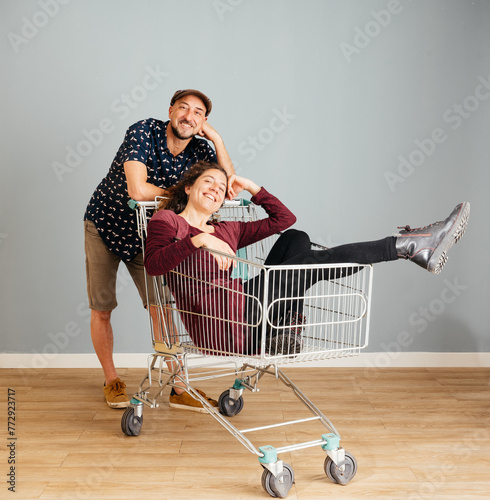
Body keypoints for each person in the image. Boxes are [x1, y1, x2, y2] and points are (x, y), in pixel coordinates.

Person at [144, 161, 470, 357]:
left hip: (250, 309)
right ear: (188, 188)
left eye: (221, 186)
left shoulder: (227, 228)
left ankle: (285, 328)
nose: (216, 189)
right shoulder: (168, 222)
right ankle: (408, 246)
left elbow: (283, 219)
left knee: (295, 239)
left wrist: (252, 188)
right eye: (207, 182)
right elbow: (154, 265)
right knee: (307, 264)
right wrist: (198, 240)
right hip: (225, 327)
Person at [84, 89, 235, 409]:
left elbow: (228, 190)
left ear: (204, 122)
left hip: (148, 235)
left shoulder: (201, 150)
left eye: (198, 113)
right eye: (183, 108)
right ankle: (112, 380)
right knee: (102, 307)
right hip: (105, 225)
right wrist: (185, 198)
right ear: (170, 111)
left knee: (162, 307)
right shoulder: (143, 131)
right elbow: (138, 191)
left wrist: (218, 140)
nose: (189, 116)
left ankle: (179, 388)